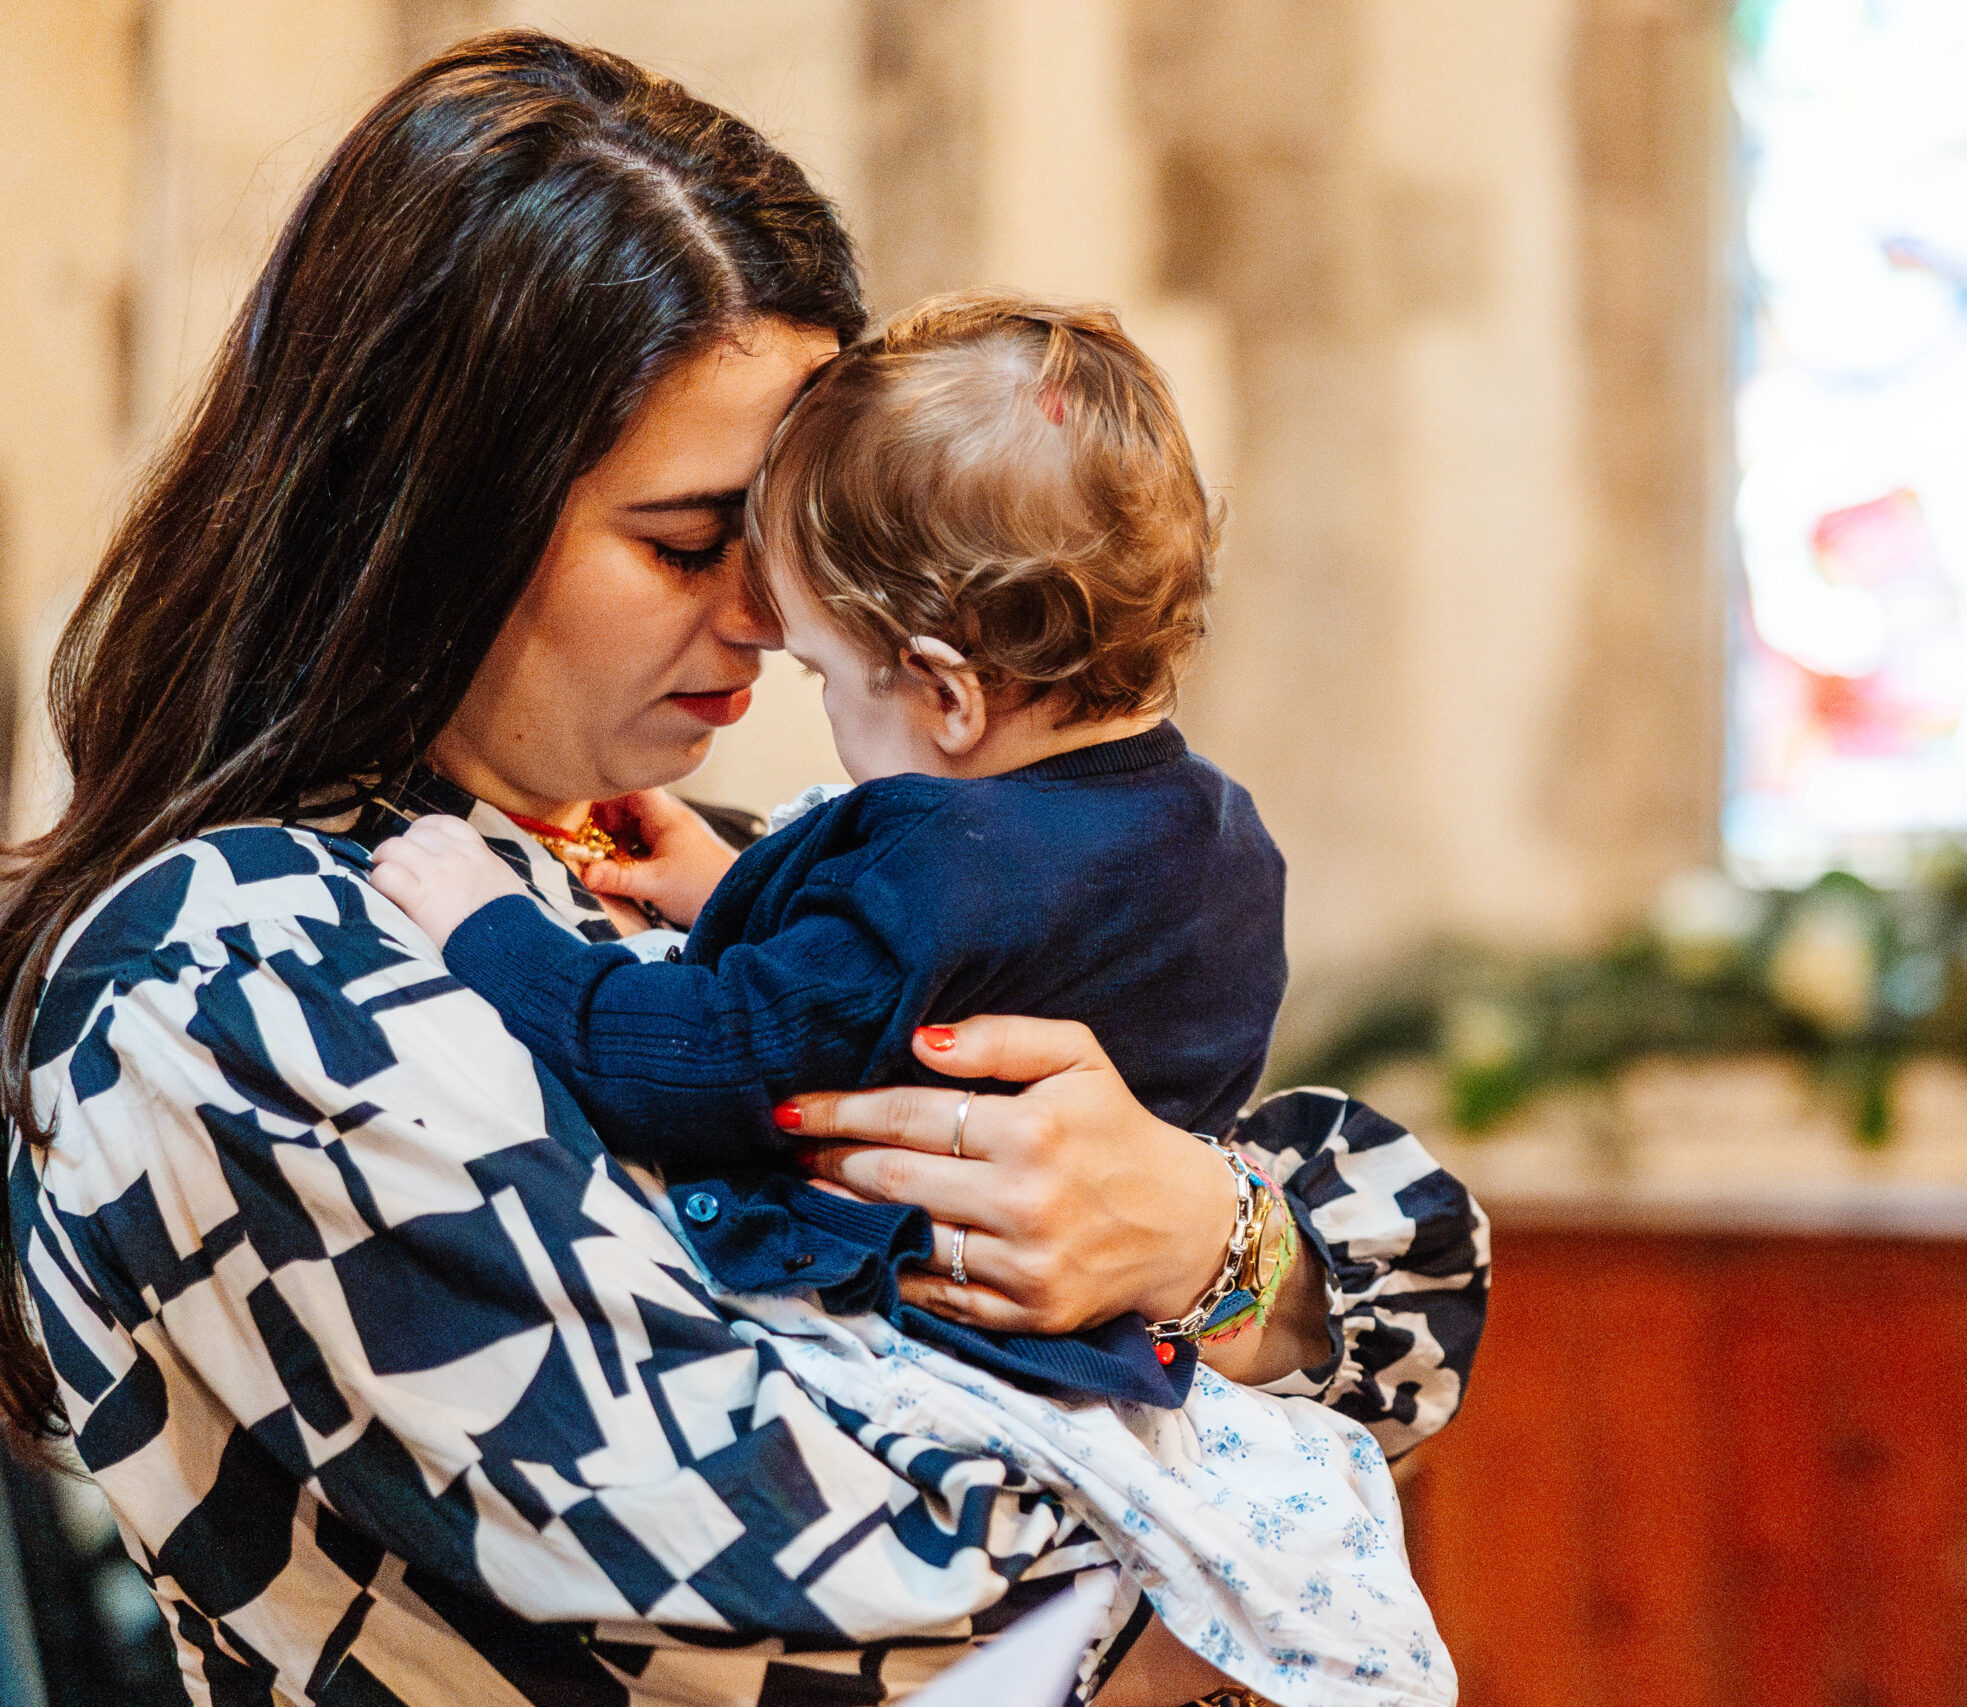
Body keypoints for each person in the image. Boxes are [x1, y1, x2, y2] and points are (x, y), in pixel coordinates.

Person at [0, 32, 1486, 1707]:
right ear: (432, 510)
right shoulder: (235, 966)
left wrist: (1208, 1239)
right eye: (697, 545)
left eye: (802, 548)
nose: (781, 625)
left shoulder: (771, 871)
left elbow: (1413, 1277)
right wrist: (1210, 1559)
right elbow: (808, 1580)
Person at [363, 291, 1451, 1704]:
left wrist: (493, 926)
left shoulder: (939, 864)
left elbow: (697, 1056)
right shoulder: (1213, 828)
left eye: (821, 670)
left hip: (932, 1356)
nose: (775, 669)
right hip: (1135, 1373)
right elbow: (934, 962)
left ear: (943, 691)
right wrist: (723, 892)